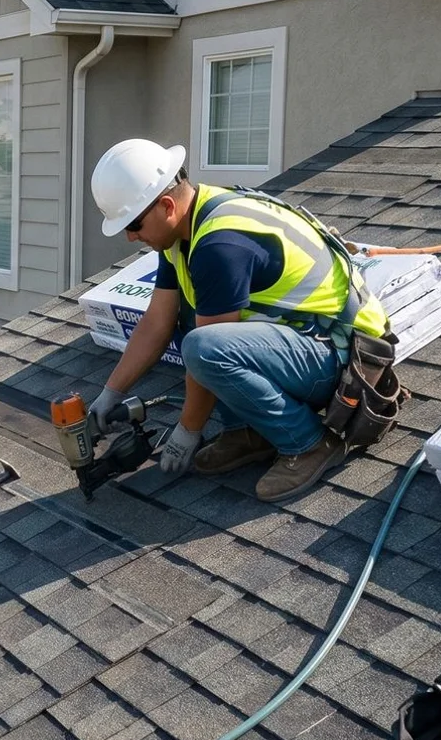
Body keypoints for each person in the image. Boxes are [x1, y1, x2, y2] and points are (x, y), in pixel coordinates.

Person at [87, 138, 391, 502]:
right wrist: (110, 394)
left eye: (133, 223)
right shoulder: (184, 231)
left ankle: (308, 443)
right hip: (305, 345)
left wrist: (188, 430)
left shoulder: (219, 245)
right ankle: (251, 430)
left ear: (167, 205)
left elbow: (207, 350)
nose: (130, 235)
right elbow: (157, 321)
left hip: (344, 360)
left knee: (202, 346)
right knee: (193, 316)